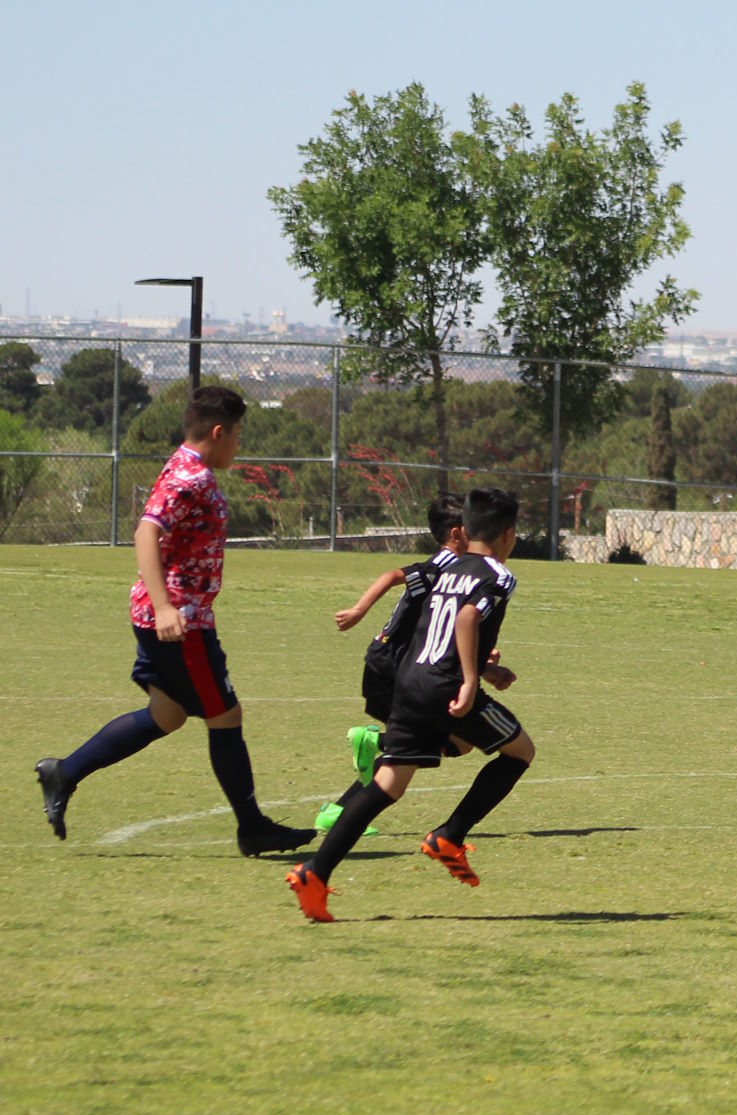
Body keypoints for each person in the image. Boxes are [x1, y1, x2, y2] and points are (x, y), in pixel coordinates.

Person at [33, 387, 316, 855]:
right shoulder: (191, 476)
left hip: (171, 615)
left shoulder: (189, 467)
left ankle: (64, 772)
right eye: (238, 434)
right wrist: (165, 607)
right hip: (179, 621)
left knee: (167, 715)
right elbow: (146, 533)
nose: (239, 444)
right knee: (225, 715)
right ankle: (253, 828)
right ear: (219, 432)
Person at [288, 489, 535, 921]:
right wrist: (472, 679)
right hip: (446, 687)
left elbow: (434, 627)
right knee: (520, 752)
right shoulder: (499, 575)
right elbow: (466, 618)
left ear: (467, 529)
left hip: (410, 680)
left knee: (388, 784)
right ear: (508, 535)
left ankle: (315, 872)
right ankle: (450, 835)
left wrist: (484, 668)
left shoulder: (448, 568)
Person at [316, 493, 472, 834]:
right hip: (390, 663)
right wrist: (358, 610)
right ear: (457, 533)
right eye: (473, 526)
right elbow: (391, 575)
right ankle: (371, 744)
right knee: (434, 741)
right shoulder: (442, 567)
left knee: (455, 742)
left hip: (401, 663)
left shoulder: (460, 570)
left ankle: (339, 811)